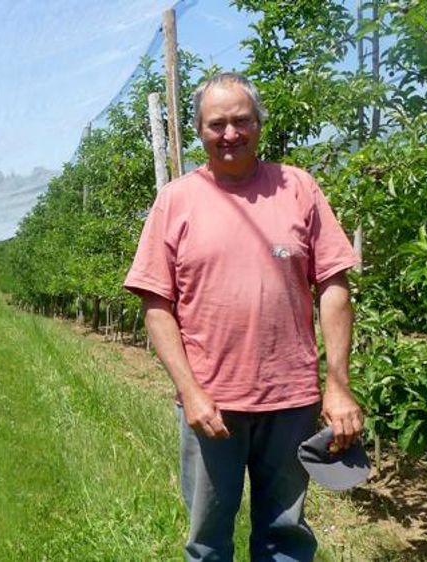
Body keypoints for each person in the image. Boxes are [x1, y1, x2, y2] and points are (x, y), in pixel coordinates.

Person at [123, 72, 364, 561]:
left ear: (258, 123)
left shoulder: (298, 187)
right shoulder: (176, 200)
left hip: (291, 400)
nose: (230, 133)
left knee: (285, 533)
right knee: (208, 539)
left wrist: (337, 382)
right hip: (213, 404)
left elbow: (335, 285)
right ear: (199, 131)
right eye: (217, 124)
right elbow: (156, 305)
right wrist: (190, 393)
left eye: (241, 120)